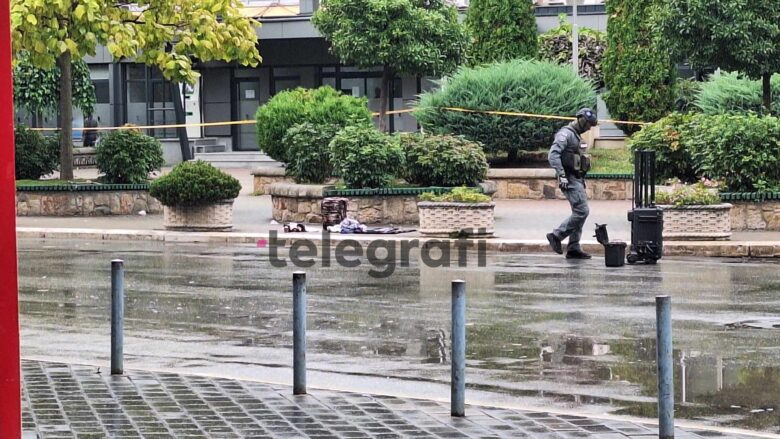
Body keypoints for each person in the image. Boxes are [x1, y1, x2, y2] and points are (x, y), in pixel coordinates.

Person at [546, 108, 598, 259]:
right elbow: (553, 155)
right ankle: (556, 235)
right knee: (582, 211)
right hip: (568, 179)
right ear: (581, 120)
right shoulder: (566, 134)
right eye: (588, 124)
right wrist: (561, 175)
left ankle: (574, 247)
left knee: (578, 212)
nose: (589, 128)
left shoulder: (576, 136)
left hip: (577, 178)